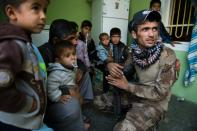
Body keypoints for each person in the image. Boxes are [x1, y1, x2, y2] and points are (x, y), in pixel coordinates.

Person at [106, 10, 179, 131]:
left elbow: (159, 93)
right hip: (136, 93)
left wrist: (127, 86)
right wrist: (109, 64)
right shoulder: (134, 51)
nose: (152, 34)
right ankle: (134, 115)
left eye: (154, 29)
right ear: (134, 34)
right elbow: (124, 70)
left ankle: (148, 123)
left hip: (155, 103)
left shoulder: (167, 55)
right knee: (99, 102)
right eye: (145, 29)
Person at [0, 0, 49, 130]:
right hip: (13, 123)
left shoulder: (24, 42)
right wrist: (28, 104)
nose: (43, 16)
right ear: (11, 12)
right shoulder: (12, 44)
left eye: (45, 10)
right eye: (35, 8)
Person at [45, 40, 87, 131]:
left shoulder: (71, 66)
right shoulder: (56, 73)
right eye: (68, 56)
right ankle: (78, 124)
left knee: (80, 100)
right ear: (58, 60)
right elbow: (50, 88)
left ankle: (79, 118)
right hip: (64, 93)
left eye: (74, 54)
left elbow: (75, 73)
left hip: (73, 87)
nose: (73, 58)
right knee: (76, 103)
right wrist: (58, 97)